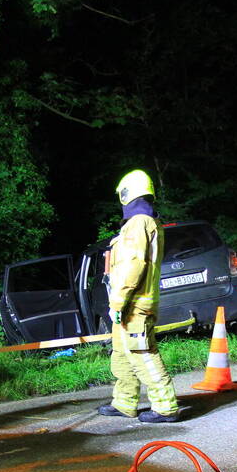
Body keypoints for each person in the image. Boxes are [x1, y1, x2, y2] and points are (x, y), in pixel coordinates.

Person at [96, 169, 180, 423]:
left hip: (134, 303)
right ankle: (124, 402)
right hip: (130, 302)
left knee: (142, 353)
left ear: (127, 194)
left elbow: (134, 264)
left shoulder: (139, 222)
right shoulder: (143, 222)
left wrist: (119, 300)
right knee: (122, 353)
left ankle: (166, 406)